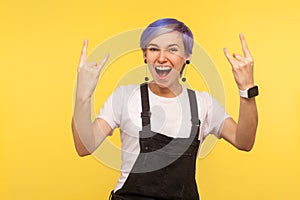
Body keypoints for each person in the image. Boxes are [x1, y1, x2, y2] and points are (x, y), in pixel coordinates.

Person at [71, 18, 258, 200]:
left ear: (187, 56)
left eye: (172, 50)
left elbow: (244, 141)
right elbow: (84, 146)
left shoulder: (203, 104)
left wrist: (246, 89)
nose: (162, 58)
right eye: (153, 49)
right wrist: (82, 96)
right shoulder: (125, 97)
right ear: (144, 54)